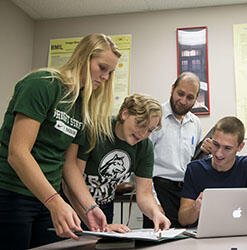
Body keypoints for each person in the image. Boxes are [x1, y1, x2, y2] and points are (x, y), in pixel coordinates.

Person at [0, 33, 121, 249]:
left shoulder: (82, 106)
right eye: (102, 68)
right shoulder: (43, 84)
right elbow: (18, 153)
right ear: (84, 57)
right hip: (12, 193)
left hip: (47, 198)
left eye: (110, 73)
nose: (105, 77)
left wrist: (90, 208)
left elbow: (69, 165)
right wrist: (55, 202)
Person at [64, 93, 171, 232]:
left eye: (150, 130)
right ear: (125, 113)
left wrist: (155, 213)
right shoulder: (96, 131)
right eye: (141, 124)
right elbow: (71, 184)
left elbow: (145, 194)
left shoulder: (144, 146)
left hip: (105, 207)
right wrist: (96, 225)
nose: (143, 134)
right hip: (72, 206)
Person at [178, 116, 247, 226]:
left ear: (240, 146)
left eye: (227, 148)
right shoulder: (195, 169)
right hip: (205, 238)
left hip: (241, 235)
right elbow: (183, 220)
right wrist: (196, 208)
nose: (219, 153)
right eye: (216, 144)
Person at [143, 72, 202, 228]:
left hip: (186, 194)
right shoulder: (155, 117)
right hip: (159, 190)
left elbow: (191, 162)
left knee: (187, 243)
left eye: (190, 97)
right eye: (180, 94)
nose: (183, 101)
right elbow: (142, 165)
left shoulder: (195, 123)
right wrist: (154, 203)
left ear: (196, 99)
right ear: (172, 88)